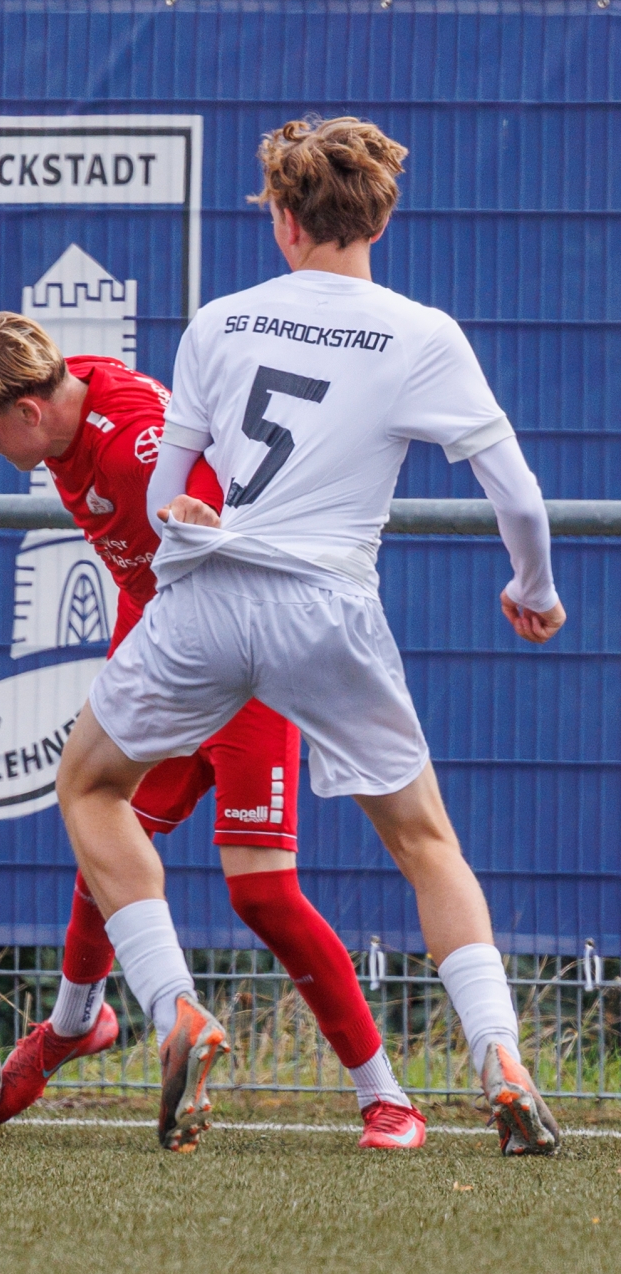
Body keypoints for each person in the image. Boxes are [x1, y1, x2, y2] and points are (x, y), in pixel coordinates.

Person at [52, 116, 564, 1154]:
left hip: (207, 598)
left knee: (90, 787)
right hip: (327, 607)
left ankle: (176, 1007)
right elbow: (517, 494)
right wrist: (534, 587)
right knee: (426, 844)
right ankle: (499, 1057)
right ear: (380, 218)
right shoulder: (422, 332)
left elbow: (164, 497)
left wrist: (187, 520)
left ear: (284, 220)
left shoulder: (221, 321)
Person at [0, 313, 423, 1149]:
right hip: (162, 646)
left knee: (262, 892)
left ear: (27, 412)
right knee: (104, 831)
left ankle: (387, 1098)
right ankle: (78, 1023)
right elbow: (15, 380)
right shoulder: (62, 391)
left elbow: (213, 492)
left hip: (238, 655)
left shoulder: (134, 444)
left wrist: (204, 511)